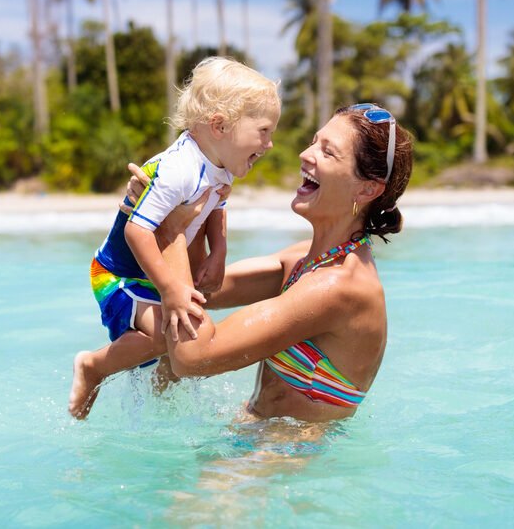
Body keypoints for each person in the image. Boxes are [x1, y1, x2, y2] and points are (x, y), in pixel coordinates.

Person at [152, 103, 412, 423]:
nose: (306, 153)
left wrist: (171, 229)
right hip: (256, 435)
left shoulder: (340, 286)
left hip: (287, 458)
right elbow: (196, 289)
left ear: (368, 188)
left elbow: (191, 358)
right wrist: (188, 200)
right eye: (314, 141)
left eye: (328, 152)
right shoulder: (306, 259)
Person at [68, 57, 281, 419]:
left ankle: (158, 407)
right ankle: (93, 367)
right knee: (165, 337)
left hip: (152, 274)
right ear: (220, 125)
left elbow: (217, 204)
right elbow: (137, 230)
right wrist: (169, 290)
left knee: (178, 346)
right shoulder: (179, 169)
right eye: (263, 131)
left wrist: (219, 251)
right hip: (118, 275)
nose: (271, 144)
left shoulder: (220, 166)